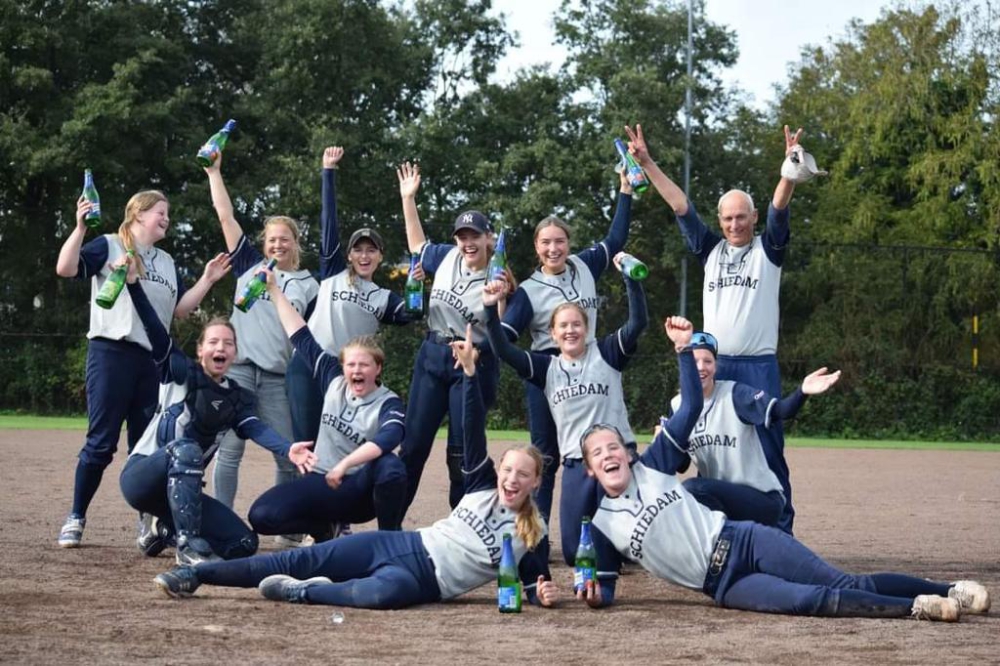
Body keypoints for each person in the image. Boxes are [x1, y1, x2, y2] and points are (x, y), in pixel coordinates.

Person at [574, 316, 991, 621]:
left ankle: (947, 589)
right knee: (811, 601)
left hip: (745, 536)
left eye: (614, 446)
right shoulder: (604, 525)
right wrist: (596, 596)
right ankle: (919, 608)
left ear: (628, 453)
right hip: (723, 586)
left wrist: (684, 349)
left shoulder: (653, 465)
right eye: (598, 453)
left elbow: (693, 407)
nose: (609, 454)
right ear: (590, 468)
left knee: (843, 583)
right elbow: (605, 586)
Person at [152, 325, 559, 611]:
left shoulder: (532, 532)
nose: (512, 479)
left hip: (424, 584)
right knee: (299, 560)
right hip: (404, 545)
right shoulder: (482, 484)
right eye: (509, 470)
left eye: (523, 474)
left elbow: (532, 583)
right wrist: (469, 375)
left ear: (536, 481)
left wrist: (543, 594)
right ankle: (199, 575)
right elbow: (472, 432)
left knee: (380, 596)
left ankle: (302, 594)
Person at [625, 122, 803, 534]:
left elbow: (779, 209)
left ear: (752, 218)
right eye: (728, 218)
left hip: (757, 367)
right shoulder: (711, 251)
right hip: (714, 368)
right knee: (709, 449)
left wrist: (787, 172)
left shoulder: (767, 251)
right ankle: (713, 531)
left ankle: (783, 531)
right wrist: (647, 162)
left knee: (769, 447)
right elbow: (681, 206)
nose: (735, 224)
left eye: (742, 217)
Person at [54, 190, 225, 548]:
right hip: (111, 353)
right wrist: (80, 228)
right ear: (138, 214)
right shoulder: (111, 245)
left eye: (168, 213)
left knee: (148, 446)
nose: (167, 218)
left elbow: (179, 310)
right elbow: (66, 269)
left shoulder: (165, 261)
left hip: (153, 362)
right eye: (161, 212)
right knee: (101, 443)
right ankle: (76, 516)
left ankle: (146, 525)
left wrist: (207, 280)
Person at [118, 267, 317, 565]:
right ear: (200, 350)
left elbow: (257, 429)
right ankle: (187, 546)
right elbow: (153, 326)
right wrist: (134, 286)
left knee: (243, 543)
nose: (220, 348)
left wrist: (288, 449)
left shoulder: (237, 398)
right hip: (142, 479)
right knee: (186, 449)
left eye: (227, 343)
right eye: (213, 342)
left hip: (178, 492)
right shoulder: (180, 371)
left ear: (235, 353)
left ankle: (166, 530)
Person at [484, 254, 647, 566]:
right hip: (577, 464)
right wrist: (490, 308)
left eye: (576, 324)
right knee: (575, 555)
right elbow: (502, 349)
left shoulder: (608, 352)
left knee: (617, 547)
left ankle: (624, 542)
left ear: (586, 328)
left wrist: (631, 280)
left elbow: (638, 323)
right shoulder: (547, 367)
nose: (571, 331)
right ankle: (612, 545)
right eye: (563, 326)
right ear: (553, 334)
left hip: (616, 459)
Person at [500, 169, 633, 528]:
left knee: (602, 446)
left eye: (559, 241)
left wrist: (624, 190)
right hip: (546, 369)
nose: (553, 248)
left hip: (591, 363)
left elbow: (616, 237)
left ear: (568, 243)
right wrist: (496, 304)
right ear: (536, 247)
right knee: (545, 455)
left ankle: (615, 528)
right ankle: (537, 531)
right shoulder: (528, 289)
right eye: (545, 242)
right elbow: (506, 334)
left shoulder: (584, 266)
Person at [203, 152, 319, 536]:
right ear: (263, 244)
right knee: (231, 450)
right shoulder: (249, 265)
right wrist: (215, 171)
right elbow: (225, 217)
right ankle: (221, 523)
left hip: (276, 376)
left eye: (284, 239)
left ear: (295, 244)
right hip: (238, 370)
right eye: (271, 239)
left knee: (288, 452)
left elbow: (314, 336)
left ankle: (286, 527)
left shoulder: (308, 284)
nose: (277, 245)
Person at [246, 270, 407, 539]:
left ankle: (389, 539)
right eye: (351, 364)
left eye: (364, 364)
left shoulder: (389, 402)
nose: (357, 370)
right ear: (342, 366)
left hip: (358, 489)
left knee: (390, 467)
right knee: (262, 516)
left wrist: (344, 466)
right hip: (321, 480)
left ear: (377, 368)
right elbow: (299, 333)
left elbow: (386, 440)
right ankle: (325, 529)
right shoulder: (333, 378)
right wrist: (274, 290)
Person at [396, 162, 508, 511]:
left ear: (489, 238)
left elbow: (501, 333)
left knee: (462, 452)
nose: (468, 242)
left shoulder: (500, 275)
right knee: (413, 446)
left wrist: (500, 297)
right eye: (463, 236)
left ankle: (463, 528)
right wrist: (408, 199)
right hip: (433, 353)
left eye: (475, 235)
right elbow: (417, 243)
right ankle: (390, 527)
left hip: (473, 362)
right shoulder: (446, 256)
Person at [285, 146, 414, 448]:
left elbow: (414, 313)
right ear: (349, 254)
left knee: (337, 447)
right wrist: (328, 172)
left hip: (344, 374)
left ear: (381, 256)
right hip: (307, 363)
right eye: (358, 249)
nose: (364, 255)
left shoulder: (384, 298)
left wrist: (416, 283)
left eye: (371, 249)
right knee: (305, 444)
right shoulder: (333, 272)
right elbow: (329, 222)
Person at [661, 330, 840, 526]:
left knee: (694, 489)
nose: (701, 367)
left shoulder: (734, 394)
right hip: (720, 498)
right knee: (681, 499)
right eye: (695, 361)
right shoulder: (677, 406)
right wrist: (666, 443)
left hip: (762, 499)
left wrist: (802, 392)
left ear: (716, 365)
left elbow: (781, 411)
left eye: (708, 361)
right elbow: (682, 464)